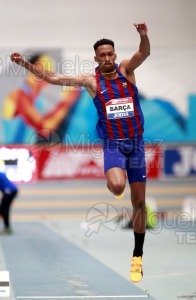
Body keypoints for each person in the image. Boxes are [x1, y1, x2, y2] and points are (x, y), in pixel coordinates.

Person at [10, 22, 150, 283]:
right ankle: (114, 182)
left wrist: (143, 35)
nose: (108, 58)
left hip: (137, 144)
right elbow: (53, 79)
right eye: (102, 55)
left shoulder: (126, 71)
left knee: (139, 203)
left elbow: (144, 53)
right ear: (95, 58)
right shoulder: (91, 81)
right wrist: (26, 65)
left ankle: (137, 256)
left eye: (111, 53)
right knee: (119, 188)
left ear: (115, 55)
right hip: (113, 144)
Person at [3, 53, 81, 143]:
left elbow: (46, 121)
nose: (48, 74)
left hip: (28, 150)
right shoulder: (20, 95)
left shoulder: (36, 97)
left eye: (50, 71)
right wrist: (67, 102)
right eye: (44, 69)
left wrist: (66, 101)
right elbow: (46, 128)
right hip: (14, 152)